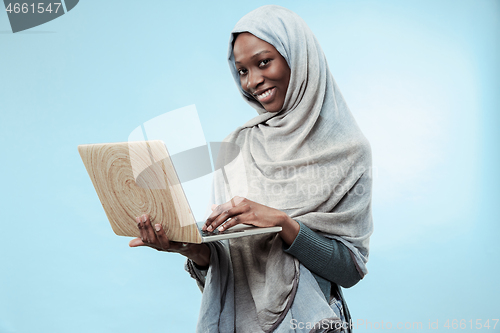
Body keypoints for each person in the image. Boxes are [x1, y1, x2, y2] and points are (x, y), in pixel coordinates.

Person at [130, 5, 373, 333]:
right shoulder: (238, 146)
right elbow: (227, 275)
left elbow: (349, 270)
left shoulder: (348, 151)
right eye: (242, 71)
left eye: (263, 62)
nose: (253, 81)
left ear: (297, 57)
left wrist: (282, 223)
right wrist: (191, 249)